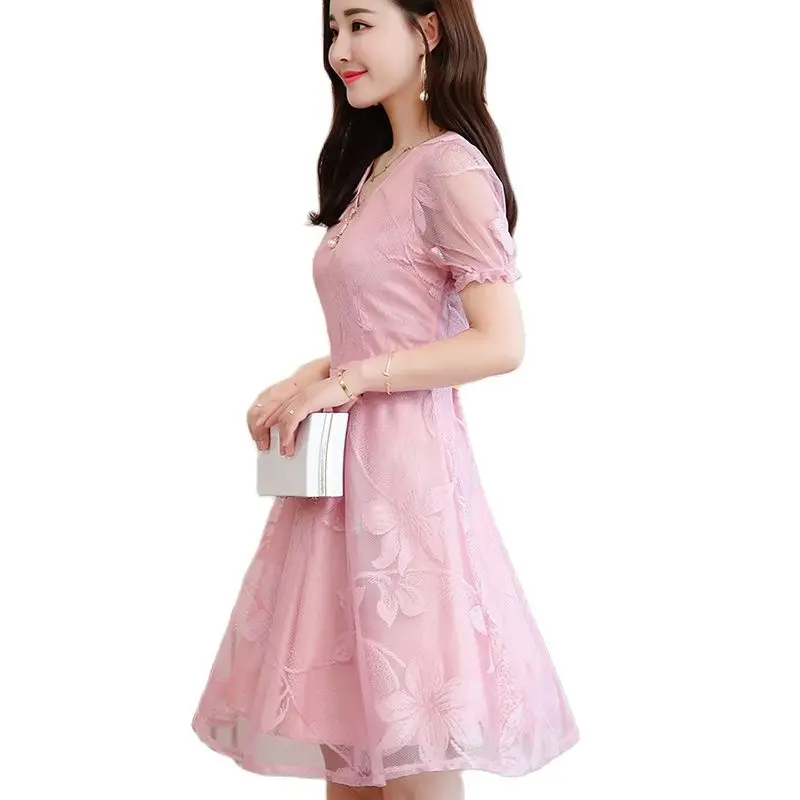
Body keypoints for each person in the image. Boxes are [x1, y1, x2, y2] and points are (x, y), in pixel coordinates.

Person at [191, 1, 580, 797]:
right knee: (353, 763)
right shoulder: (378, 169)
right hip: (341, 490)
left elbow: (499, 342)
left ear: (428, 30)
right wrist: (307, 378)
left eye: (361, 24)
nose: (340, 48)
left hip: (405, 491)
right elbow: (391, 324)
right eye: (333, 28)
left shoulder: (449, 168)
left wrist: (349, 380)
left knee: (412, 754)